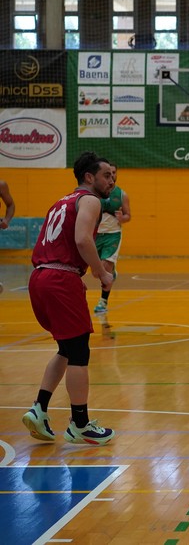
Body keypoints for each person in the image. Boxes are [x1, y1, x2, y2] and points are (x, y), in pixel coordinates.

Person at [21, 151, 117, 446]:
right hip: (59, 279)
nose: (111, 181)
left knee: (66, 347)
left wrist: (71, 273)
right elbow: (81, 240)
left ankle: (39, 409)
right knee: (78, 351)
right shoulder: (90, 200)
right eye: (106, 176)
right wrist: (101, 273)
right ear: (89, 177)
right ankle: (80, 424)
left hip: (41, 277)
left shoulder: (60, 201)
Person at [94, 163, 131, 313]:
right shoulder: (96, 193)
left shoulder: (122, 194)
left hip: (113, 235)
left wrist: (123, 218)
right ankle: (112, 274)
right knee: (96, 273)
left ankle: (103, 301)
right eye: (108, 173)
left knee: (105, 269)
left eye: (114, 172)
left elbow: (129, 215)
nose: (112, 175)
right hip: (95, 235)